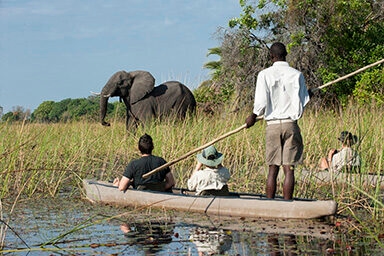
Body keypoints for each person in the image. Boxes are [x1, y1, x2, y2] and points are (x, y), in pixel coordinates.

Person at [245, 42, 310, 200]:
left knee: (273, 168)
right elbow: (303, 100)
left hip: (273, 125)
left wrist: (253, 116)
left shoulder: (264, 74)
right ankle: (287, 204)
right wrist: (309, 95)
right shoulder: (297, 74)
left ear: (271, 56)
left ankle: (270, 203)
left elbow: (260, 102)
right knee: (289, 168)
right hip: (290, 124)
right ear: (286, 54)